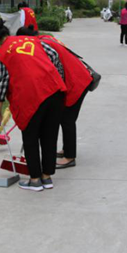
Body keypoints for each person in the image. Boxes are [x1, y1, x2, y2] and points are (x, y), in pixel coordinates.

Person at [0, 20, 67, 192]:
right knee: (49, 137)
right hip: (55, 92)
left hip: (31, 97)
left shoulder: (2, 54)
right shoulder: (32, 40)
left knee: (30, 138)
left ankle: (35, 180)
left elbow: (1, 85)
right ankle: (47, 177)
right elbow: (54, 56)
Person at [37, 34, 93, 170]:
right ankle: (66, 149)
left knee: (67, 119)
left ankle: (70, 157)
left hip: (76, 82)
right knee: (65, 118)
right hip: (78, 76)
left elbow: (52, 71)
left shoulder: (43, 46)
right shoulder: (46, 38)